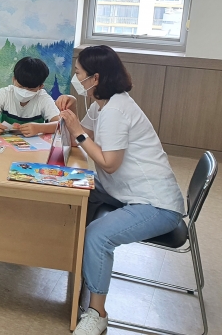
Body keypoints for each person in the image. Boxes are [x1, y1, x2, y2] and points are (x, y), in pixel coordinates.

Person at [56, 46, 185, 335]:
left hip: (156, 205)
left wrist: (76, 129)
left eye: (78, 73)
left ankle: (97, 313)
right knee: (74, 186)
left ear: (95, 78)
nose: (75, 79)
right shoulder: (103, 103)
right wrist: (73, 115)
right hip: (124, 190)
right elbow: (86, 137)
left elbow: (109, 163)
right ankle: (77, 263)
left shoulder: (115, 110)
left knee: (98, 235)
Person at [0, 56, 60, 137]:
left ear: (40, 87)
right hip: (5, 141)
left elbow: (60, 124)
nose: (24, 92)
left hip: (35, 144)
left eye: (30, 89)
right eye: (21, 87)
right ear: (14, 79)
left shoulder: (43, 98)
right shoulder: (5, 93)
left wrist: (39, 128)